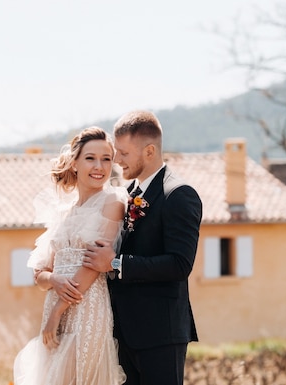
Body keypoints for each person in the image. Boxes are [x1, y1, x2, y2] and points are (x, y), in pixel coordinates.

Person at [82, 110, 203, 385]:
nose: (116, 160)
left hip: (161, 334)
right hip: (122, 332)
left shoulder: (179, 195)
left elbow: (179, 264)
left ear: (149, 151)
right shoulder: (126, 194)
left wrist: (115, 264)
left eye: (123, 153)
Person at [13, 126, 127, 385]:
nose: (99, 166)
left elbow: (95, 264)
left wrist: (57, 311)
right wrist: (54, 281)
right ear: (74, 163)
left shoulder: (113, 202)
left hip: (87, 308)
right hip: (55, 308)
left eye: (106, 159)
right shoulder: (61, 214)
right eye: (90, 158)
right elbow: (39, 274)